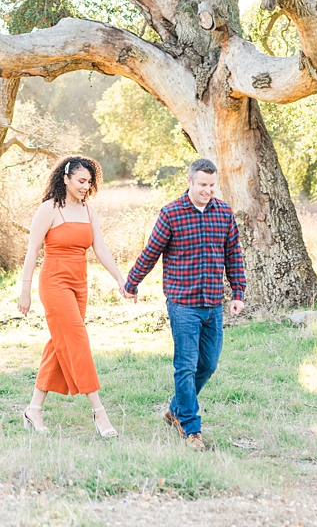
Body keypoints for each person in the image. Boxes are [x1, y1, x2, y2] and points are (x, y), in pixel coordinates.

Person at [123, 158, 246, 451]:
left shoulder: (224, 213)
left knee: (209, 364)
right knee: (186, 366)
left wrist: (238, 292)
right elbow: (151, 252)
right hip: (182, 303)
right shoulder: (171, 214)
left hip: (213, 301)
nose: (208, 190)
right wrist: (132, 282)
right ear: (189, 182)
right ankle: (192, 429)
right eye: (203, 185)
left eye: (212, 185)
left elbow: (234, 255)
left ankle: (175, 408)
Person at [16, 155, 129, 437]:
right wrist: (25, 290)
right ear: (65, 179)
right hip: (54, 282)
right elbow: (32, 251)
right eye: (80, 181)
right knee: (77, 338)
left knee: (60, 342)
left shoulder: (89, 212)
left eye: (89, 182)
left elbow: (100, 248)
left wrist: (120, 278)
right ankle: (99, 412)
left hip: (80, 284)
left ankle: (33, 410)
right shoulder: (49, 209)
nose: (84, 187)